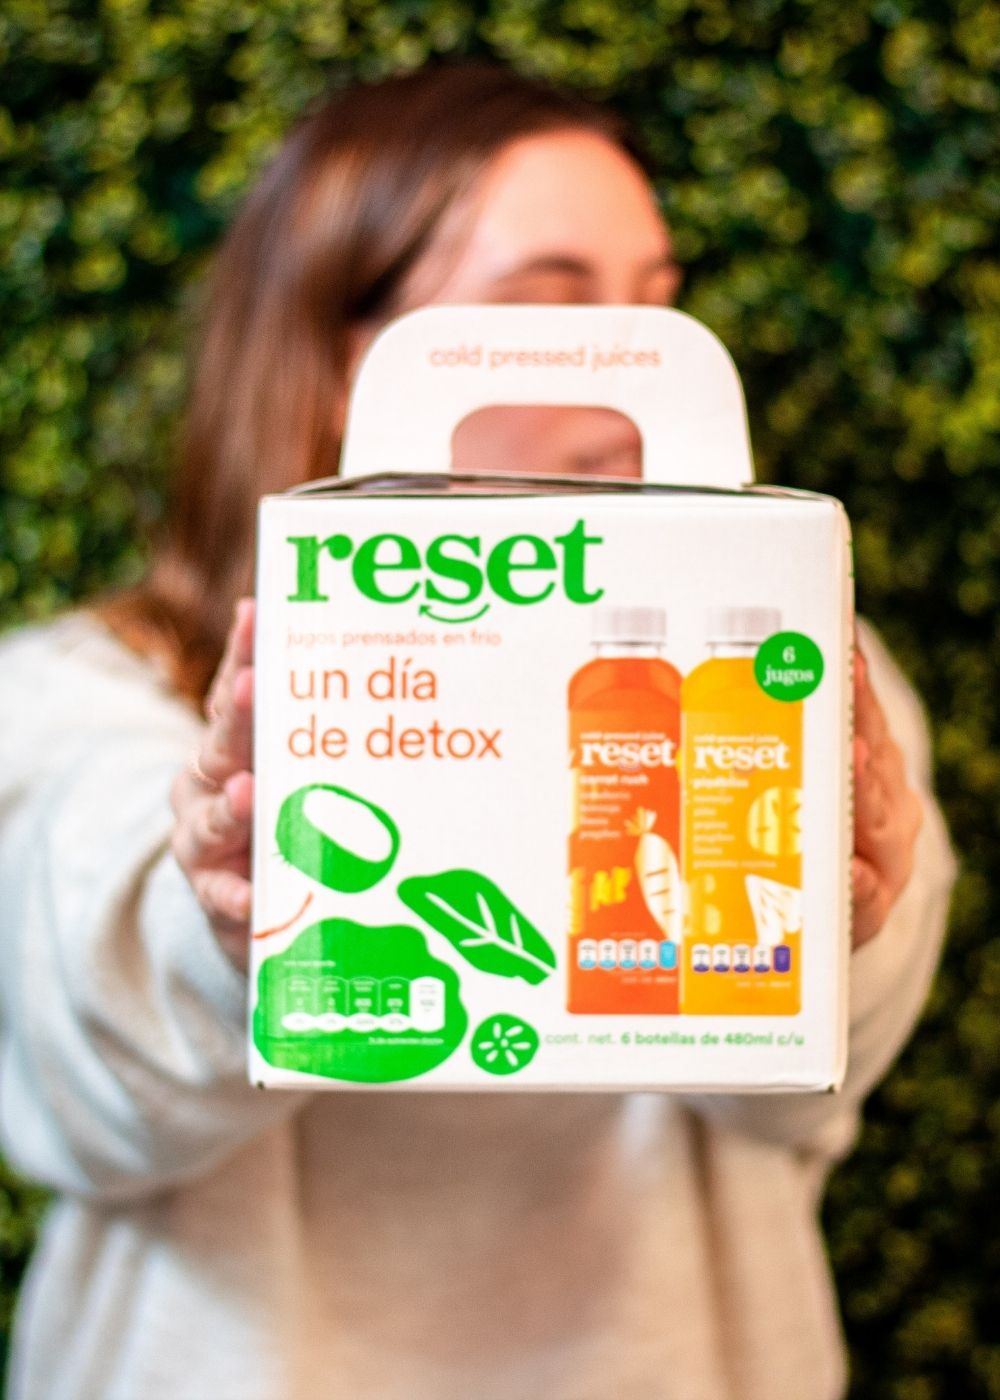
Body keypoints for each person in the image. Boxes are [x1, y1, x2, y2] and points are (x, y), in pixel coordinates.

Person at [0, 62, 955, 1400]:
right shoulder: (77, 697)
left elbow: (808, 1079)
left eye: (658, 300)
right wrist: (229, 915)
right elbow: (71, 1015)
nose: (626, 365)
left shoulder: (786, 661)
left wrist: (835, 915)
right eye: (548, 306)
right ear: (342, 357)